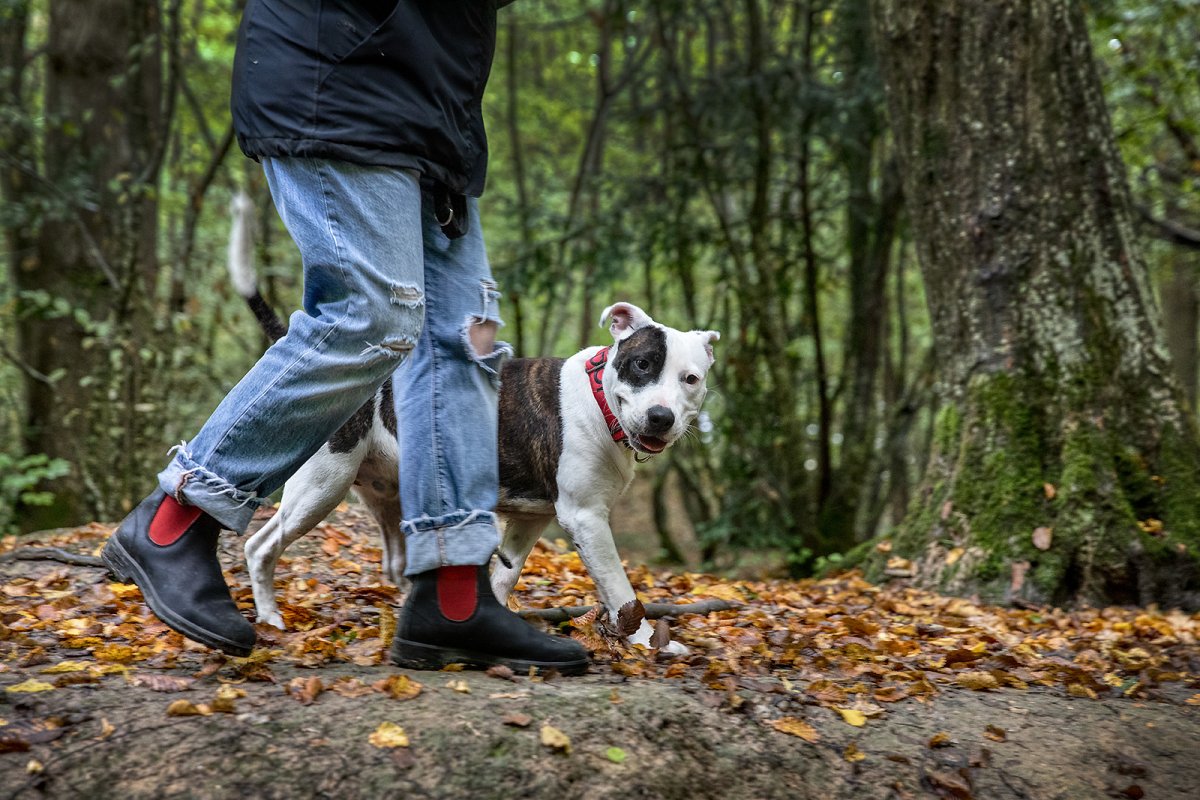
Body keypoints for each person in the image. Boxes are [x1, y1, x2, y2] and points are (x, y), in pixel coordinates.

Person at [102, 0, 588, 674]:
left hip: (434, 113)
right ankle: (176, 519)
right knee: (371, 316)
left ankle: (452, 600)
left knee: (465, 347)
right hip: (341, 77)